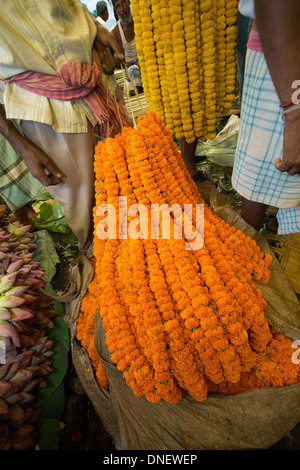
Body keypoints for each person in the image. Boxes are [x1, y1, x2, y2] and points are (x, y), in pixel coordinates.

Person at [0, 0, 130, 251]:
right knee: (88, 216)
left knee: (133, 185)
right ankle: (111, 271)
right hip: (45, 110)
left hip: (98, 80)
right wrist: (22, 146)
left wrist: (95, 28)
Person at [231, 0, 300, 235]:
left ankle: (274, 228)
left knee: (288, 179)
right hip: (284, 64)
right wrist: (294, 114)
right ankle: (247, 243)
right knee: (262, 176)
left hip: (284, 63)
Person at [110, 0, 143, 95]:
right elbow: (116, 61)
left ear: (129, 2)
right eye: (118, 6)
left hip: (145, 62)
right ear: (116, 11)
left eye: (123, 3)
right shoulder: (115, 32)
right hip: (130, 68)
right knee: (133, 69)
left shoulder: (140, 22)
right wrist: (124, 63)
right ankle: (140, 99)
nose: (122, 9)